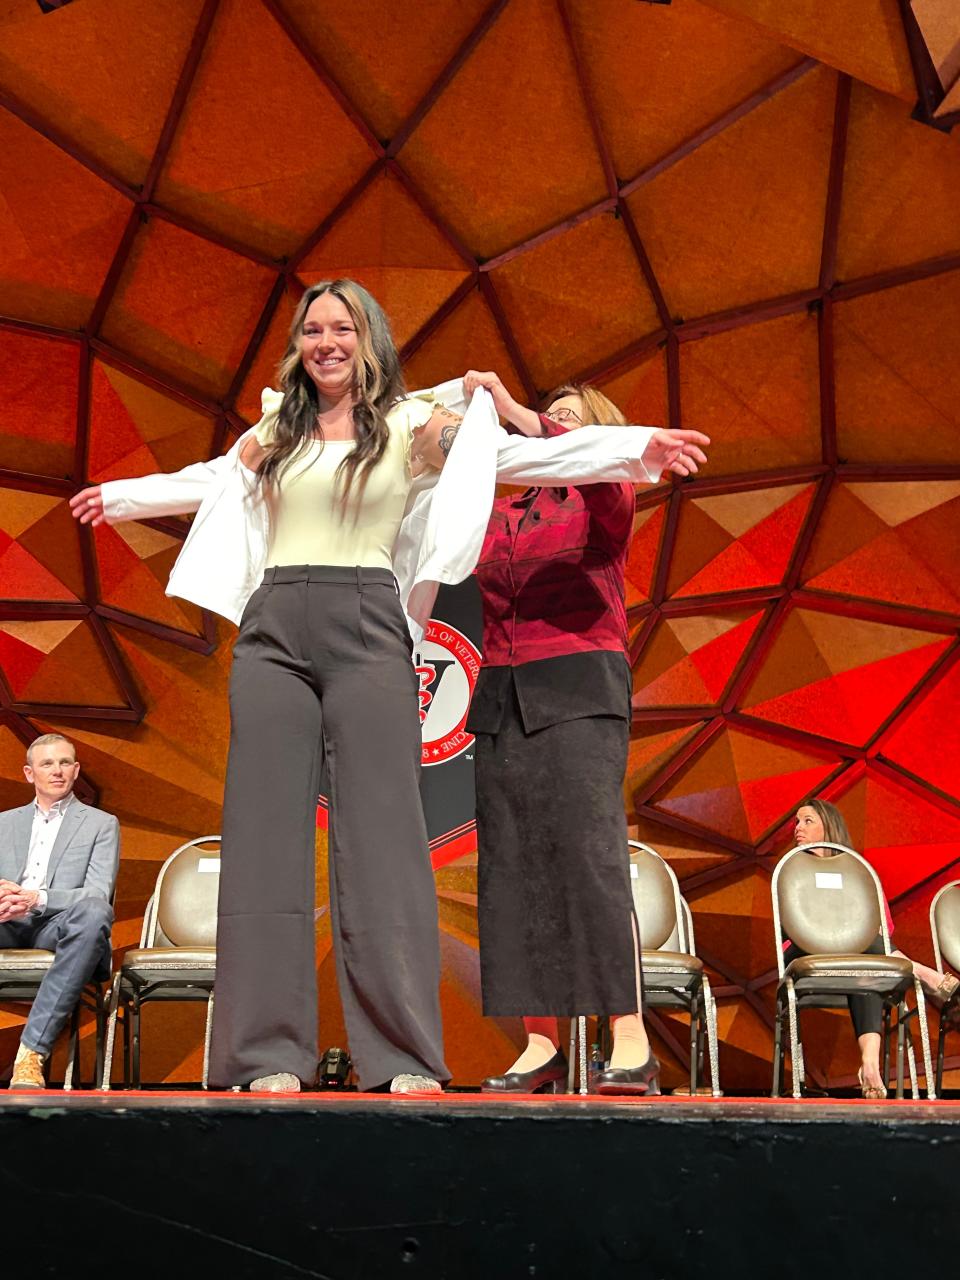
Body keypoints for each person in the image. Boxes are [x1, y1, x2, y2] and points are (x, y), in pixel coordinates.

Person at [70, 279, 706, 1094]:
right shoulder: (277, 424)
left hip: (371, 621)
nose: (326, 342)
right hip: (274, 624)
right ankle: (266, 1054)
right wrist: (124, 497)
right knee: (264, 836)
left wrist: (628, 449)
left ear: (370, 340)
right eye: (312, 330)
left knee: (383, 839)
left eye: (343, 328)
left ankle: (401, 1055)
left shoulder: (412, 423)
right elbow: (217, 481)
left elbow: (512, 456)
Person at [461, 372, 709, 1096]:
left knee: (588, 860)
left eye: (565, 419)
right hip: (502, 695)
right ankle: (540, 1044)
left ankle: (628, 1038)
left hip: (578, 684)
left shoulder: (608, 482)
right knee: (513, 868)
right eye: (546, 417)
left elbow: (597, 458)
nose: (547, 426)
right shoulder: (499, 505)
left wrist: (524, 416)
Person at [789, 799, 958, 1099]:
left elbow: (882, 928)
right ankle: (927, 975)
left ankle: (869, 1066)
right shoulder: (791, 870)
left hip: (855, 954)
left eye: (807, 821)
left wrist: (856, 932)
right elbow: (791, 924)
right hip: (804, 950)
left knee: (865, 972)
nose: (797, 828)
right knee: (860, 944)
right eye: (797, 822)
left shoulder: (859, 872)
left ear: (828, 826)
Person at [0, 733, 118, 1090]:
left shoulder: (100, 823)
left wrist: (37, 899)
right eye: (47, 763)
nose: (57, 771)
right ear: (28, 773)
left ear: (76, 769)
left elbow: (97, 891)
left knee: (95, 912)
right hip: (5, 920)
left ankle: (31, 1054)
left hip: (57, 924)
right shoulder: (4, 822)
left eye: (65, 762)